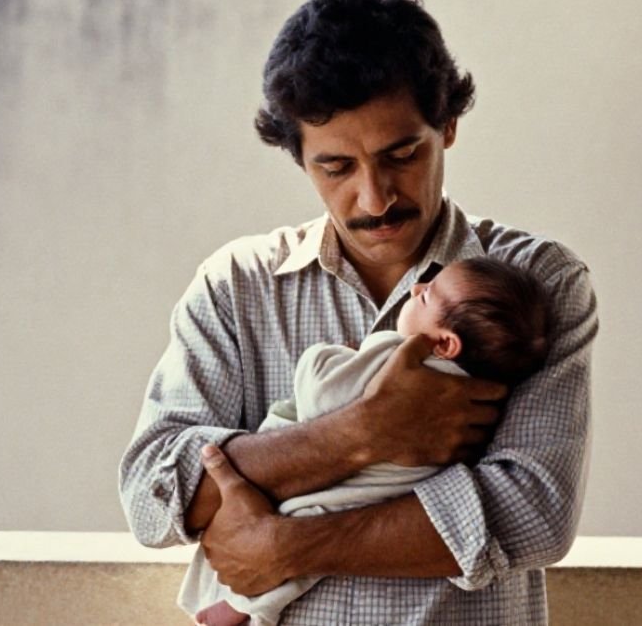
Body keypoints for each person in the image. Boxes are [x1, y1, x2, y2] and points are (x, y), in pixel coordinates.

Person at [119, 0, 598, 625]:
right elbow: (154, 498)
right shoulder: (235, 285)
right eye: (337, 168)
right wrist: (364, 433)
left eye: (401, 155)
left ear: (448, 126)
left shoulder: (538, 282)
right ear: (299, 159)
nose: (375, 199)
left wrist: (287, 545)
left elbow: (534, 513)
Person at [183, 257, 555, 626]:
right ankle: (244, 609)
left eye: (427, 297)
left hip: (361, 486)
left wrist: (330, 354)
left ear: (444, 343)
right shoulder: (479, 385)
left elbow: (321, 394)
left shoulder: (399, 356)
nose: (416, 288)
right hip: (396, 491)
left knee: (291, 521)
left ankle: (242, 607)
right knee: (302, 534)